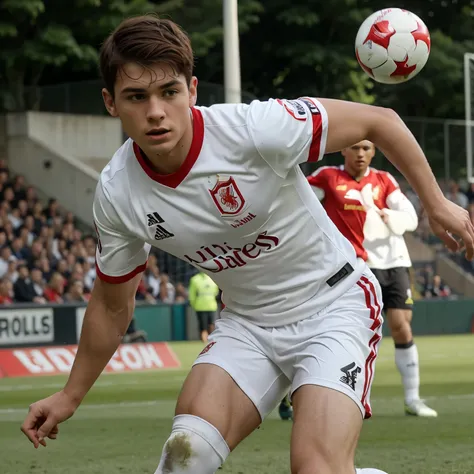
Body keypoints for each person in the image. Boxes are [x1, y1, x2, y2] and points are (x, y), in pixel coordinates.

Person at [20, 15, 474, 474]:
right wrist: (69, 394)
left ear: (192, 91)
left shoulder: (255, 128)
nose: (155, 111)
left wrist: (435, 203)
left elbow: (379, 120)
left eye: (169, 93)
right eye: (136, 97)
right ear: (110, 103)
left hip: (335, 306)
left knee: (316, 467)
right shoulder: (118, 193)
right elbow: (112, 305)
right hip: (247, 324)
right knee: (184, 457)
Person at [307, 140, 437, 418]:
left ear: (374, 152)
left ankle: (412, 399)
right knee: (357, 333)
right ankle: (353, 399)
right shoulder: (328, 177)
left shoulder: (384, 180)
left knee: (401, 326)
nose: (361, 154)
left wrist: (387, 214)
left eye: (366, 148)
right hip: (355, 267)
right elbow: (298, 198)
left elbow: (410, 219)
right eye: (354, 148)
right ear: (343, 150)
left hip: (395, 263)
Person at [188, 271, 220, 343]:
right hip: (210, 306)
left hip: (202, 306)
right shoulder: (213, 278)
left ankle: (207, 341)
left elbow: (192, 295)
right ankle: (210, 341)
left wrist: (194, 304)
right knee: (209, 325)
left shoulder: (195, 279)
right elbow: (216, 292)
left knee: (204, 326)